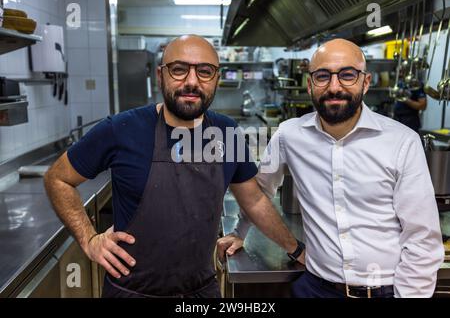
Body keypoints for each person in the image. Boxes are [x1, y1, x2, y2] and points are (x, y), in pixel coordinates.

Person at [44, 35, 303, 298]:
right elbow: (58, 179)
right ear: (161, 75)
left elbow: (255, 201)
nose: (191, 82)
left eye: (204, 71)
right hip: (131, 293)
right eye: (179, 70)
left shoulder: (227, 132)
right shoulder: (121, 129)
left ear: (216, 78)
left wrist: (295, 248)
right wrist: (89, 239)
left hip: (201, 292)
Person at [217, 38, 444, 298]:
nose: (334, 87)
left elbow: (422, 238)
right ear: (310, 83)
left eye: (347, 75)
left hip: (388, 289)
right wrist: (239, 232)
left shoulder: (402, 141)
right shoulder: (290, 135)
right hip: (316, 288)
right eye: (323, 76)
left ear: (365, 82)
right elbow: (260, 191)